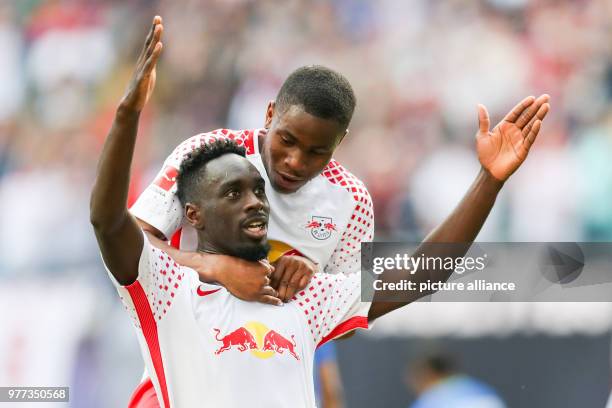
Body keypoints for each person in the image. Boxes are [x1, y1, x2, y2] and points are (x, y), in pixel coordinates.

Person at [93, 16, 549, 408]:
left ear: (338, 144)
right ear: (194, 214)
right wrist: (217, 267)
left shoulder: (328, 254)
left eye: (314, 152)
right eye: (286, 141)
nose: (291, 165)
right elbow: (121, 229)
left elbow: (415, 278)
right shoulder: (181, 265)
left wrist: (489, 180)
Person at [406, 353, 506, 408]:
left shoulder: (431, 399)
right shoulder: (483, 390)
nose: (415, 385)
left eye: (417, 378)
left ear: (430, 374)